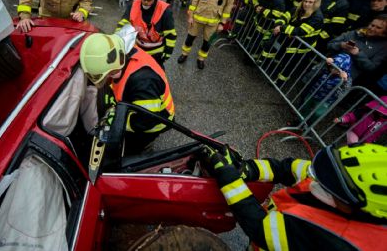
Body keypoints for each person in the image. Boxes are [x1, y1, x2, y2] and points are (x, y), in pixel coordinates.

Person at [202, 142, 387, 250]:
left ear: (356, 209)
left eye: (330, 187)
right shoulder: (332, 174)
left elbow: (261, 228)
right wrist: (248, 169)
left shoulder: (338, 239)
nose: (315, 181)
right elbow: (286, 168)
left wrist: (228, 177)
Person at [80, 32, 175, 154]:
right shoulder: (119, 52)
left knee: (134, 147)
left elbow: (146, 121)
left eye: (108, 74)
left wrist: (118, 121)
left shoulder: (143, 81)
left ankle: (145, 150)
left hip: (155, 121)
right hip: (142, 104)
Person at [261, 0, 324, 84]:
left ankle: (280, 82)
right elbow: (284, 16)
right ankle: (270, 69)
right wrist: (278, 24)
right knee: (281, 55)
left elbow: (301, 31)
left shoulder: (317, 17)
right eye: (305, 1)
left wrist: (282, 28)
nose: (306, 4)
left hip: (302, 47)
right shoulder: (299, 9)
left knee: (289, 65)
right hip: (291, 40)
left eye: (310, 2)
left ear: (316, 3)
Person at [117, 0, 176, 68]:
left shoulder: (165, 11)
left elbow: (170, 34)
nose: (146, 2)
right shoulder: (133, 5)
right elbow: (123, 24)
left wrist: (168, 51)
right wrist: (117, 40)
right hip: (138, 49)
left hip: (157, 53)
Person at [327, 15, 387, 83]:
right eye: (372, 25)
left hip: (342, 80)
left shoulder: (383, 47)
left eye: (378, 28)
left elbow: (372, 68)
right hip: (324, 69)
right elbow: (330, 44)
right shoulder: (355, 33)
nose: (372, 29)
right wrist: (341, 45)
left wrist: (358, 54)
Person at [300, 53, 352, 124]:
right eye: (332, 66)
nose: (333, 70)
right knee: (305, 105)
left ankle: (310, 124)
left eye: (336, 68)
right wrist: (327, 61)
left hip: (326, 100)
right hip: (313, 92)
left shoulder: (346, 78)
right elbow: (315, 69)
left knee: (318, 113)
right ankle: (300, 120)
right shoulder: (326, 68)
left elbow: (346, 89)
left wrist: (345, 80)